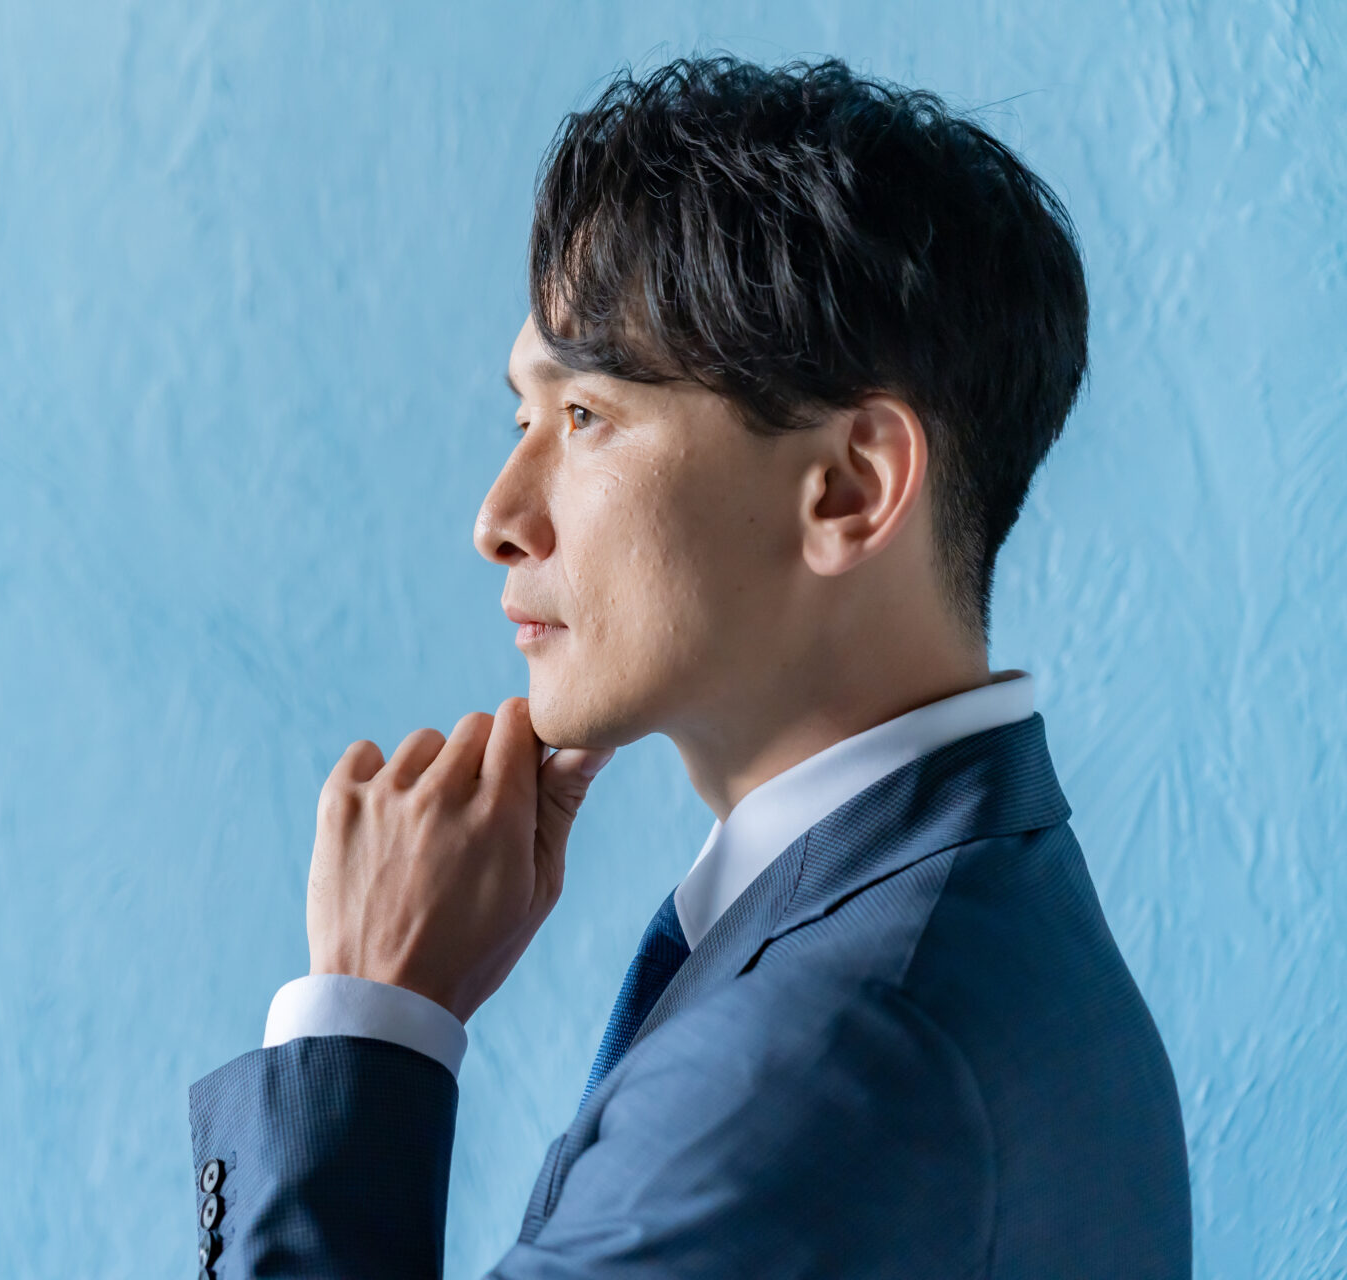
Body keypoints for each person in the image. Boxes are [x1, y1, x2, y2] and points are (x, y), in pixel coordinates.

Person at [184, 54, 1191, 1278]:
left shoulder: (820, 1054)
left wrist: (368, 1017)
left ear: (850, 486)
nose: (498, 517)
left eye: (586, 415)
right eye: (522, 418)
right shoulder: (978, 916)